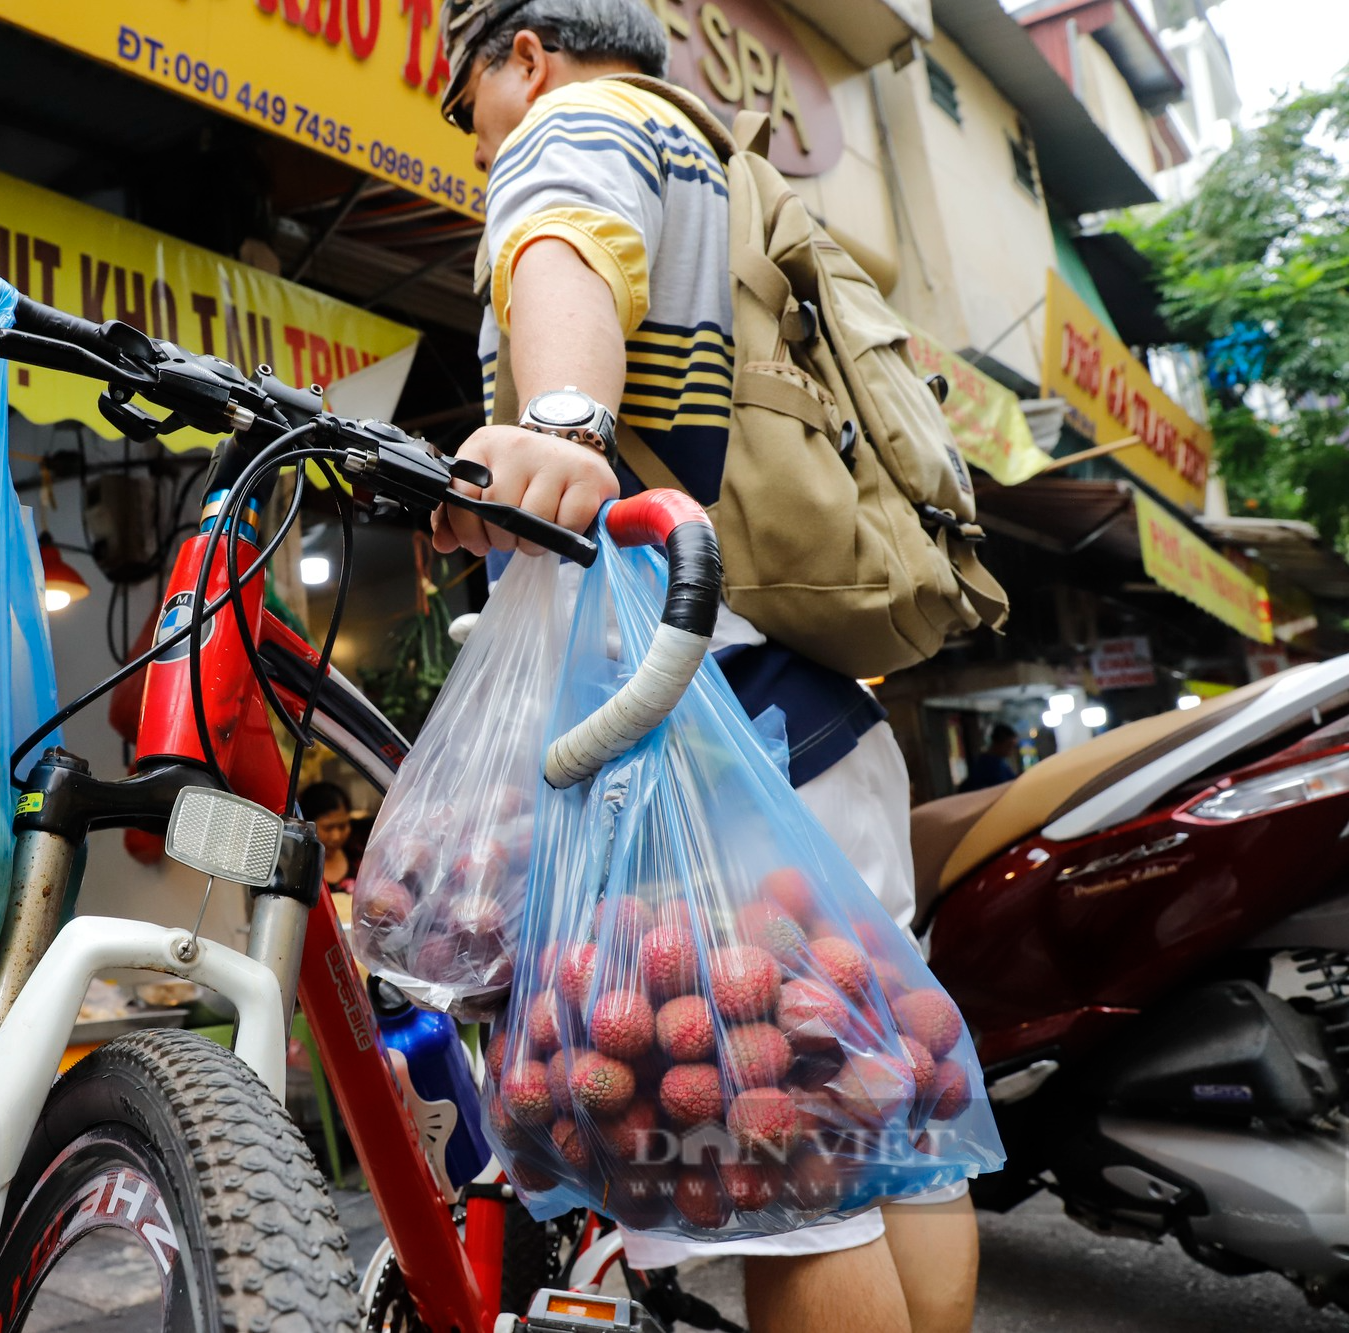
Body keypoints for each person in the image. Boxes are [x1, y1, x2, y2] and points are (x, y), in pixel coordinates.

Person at [429, 4, 977, 1331]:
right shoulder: (730, 162)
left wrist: (558, 421)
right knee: (883, 1128)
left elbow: (565, 238)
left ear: (525, 54)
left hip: (695, 736)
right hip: (817, 726)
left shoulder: (575, 122)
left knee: (785, 1189)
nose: (478, 134)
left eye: (465, 105)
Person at [300, 780, 359, 893]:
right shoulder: (299, 870)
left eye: (342, 826)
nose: (336, 837)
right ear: (306, 826)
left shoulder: (358, 858)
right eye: (328, 828)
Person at [961, 723, 1021, 792]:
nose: (1011, 750)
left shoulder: (1000, 762)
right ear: (998, 743)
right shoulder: (987, 764)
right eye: (1009, 746)